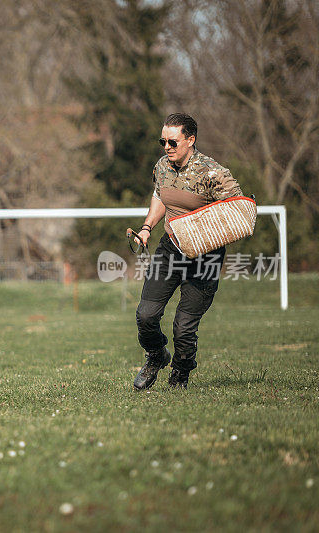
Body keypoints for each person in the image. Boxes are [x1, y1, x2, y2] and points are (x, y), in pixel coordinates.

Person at [132, 113, 243, 390]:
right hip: (170, 249)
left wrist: (205, 231)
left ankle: (180, 374)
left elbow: (240, 210)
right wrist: (147, 227)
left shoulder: (213, 172)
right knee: (146, 315)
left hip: (204, 255)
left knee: (184, 327)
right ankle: (156, 355)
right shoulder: (162, 166)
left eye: (172, 141)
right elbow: (160, 195)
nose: (167, 147)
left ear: (190, 139)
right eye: (163, 141)